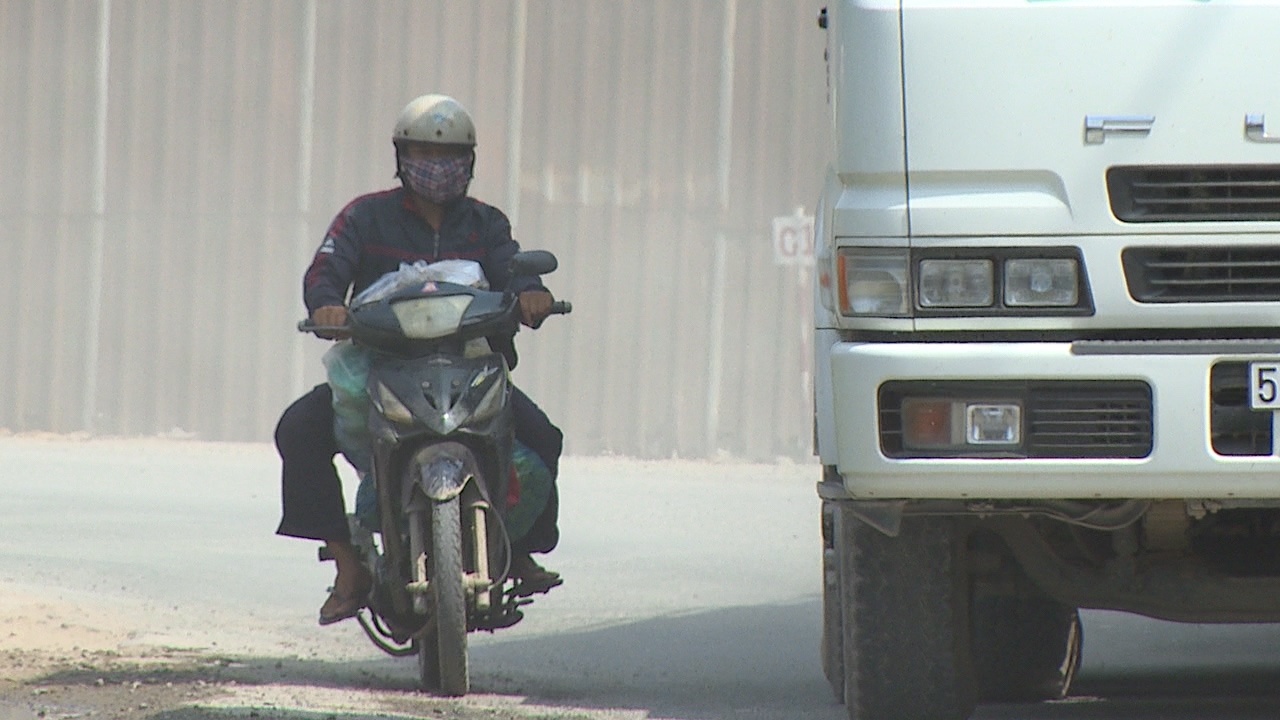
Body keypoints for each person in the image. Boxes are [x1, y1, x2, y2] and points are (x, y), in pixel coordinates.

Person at [274, 93, 564, 626]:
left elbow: (513, 267)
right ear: (401, 158)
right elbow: (326, 269)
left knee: (543, 438)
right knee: (298, 430)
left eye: (451, 157)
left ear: (470, 162)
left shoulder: (486, 225)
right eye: (424, 157)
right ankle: (348, 564)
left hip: (471, 369)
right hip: (381, 371)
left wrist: (531, 295)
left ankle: (517, 549)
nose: (438, 169)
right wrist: (328, 306)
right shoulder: (366, 218)